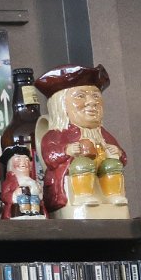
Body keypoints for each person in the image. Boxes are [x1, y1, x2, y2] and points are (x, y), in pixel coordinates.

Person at [35, 64, 126, 215]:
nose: (92, 102)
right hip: (70, 187)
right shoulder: (56, 135)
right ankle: (83, 195)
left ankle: (114, 195)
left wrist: (118, 152)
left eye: (95, 96)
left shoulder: (102, 133)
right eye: (80, 96)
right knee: (82, 164)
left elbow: (123, 158)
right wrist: (67, 150)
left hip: (101, 184)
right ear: (61, 105)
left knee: (113, 165)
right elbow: (50, 156)